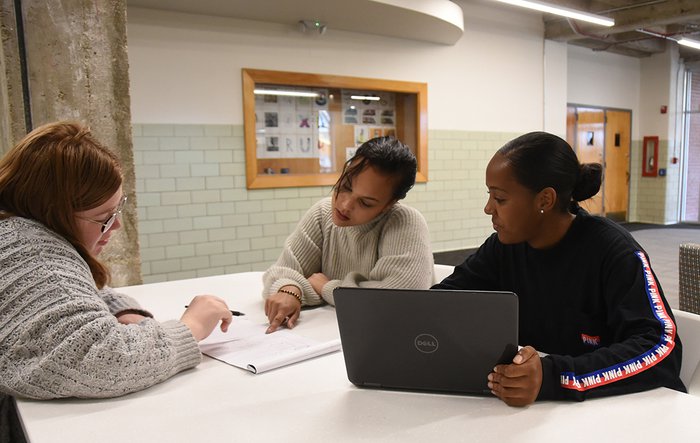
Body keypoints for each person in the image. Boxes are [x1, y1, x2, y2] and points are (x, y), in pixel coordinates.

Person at [433, 131, 685, 406]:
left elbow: (661, 349)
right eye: (489, 195)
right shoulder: (503, 248)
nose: (488, 208)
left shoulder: (614, 251)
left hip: (626, 413)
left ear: (544, 200)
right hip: (546, 415)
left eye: (500, 199)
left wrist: (554, 377)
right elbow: (443, 302)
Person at [0, 121, 233, 402]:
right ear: (55, 212)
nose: (117, 225)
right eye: (104, 217)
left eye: (118, 209)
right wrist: (191, 327)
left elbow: (79, 291)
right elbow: (103, 359)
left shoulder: (20, 232)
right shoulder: (36, 257)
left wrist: (123, 312)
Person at [263, 136, 434, 333]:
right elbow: (279, 272)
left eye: (366, 203)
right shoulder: (323, 213)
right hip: (326, 335)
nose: (344, 205)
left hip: (390, 338)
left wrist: (328, 288)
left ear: (390, 204)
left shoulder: (404, 222)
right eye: (345, 187)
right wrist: (291, 289)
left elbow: (397, 302)